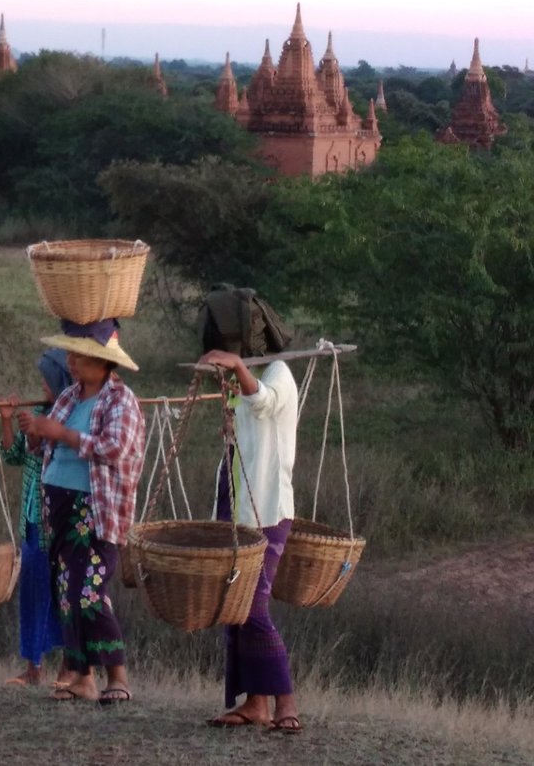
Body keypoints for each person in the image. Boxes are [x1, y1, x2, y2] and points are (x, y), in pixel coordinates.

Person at [17, 320, 144, 704]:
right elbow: (45, 450)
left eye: (81, 356)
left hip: (96, 508)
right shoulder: (70, 397)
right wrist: (36, 433)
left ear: (105, 363)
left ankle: (117, 676)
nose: (72, 361)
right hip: (60, 504)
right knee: (68, 594)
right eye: (71, 354)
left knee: (89, 592)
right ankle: (82, 676)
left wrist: (61, 435)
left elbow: (114, 448)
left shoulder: (121, 401)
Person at [197, 286, 302, 734]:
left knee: (255, 609)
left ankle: (286, 703)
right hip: (238, 507)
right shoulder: (245, 383)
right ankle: (254, 703)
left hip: (268, 512)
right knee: (235, 609)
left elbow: (265, 403)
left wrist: (239, 369)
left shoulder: (279, 373)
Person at [0, 349, 72, 687]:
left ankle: (66, 669)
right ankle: (33, 666)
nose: (41, 383)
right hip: (31, 522)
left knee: (60, 598)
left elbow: (46, 452)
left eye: (47, 377)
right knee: (31, 595)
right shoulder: (40, 411)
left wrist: (34, 431)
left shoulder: (65, 418)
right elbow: (14, 455)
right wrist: (7, 420)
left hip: (54, 525)